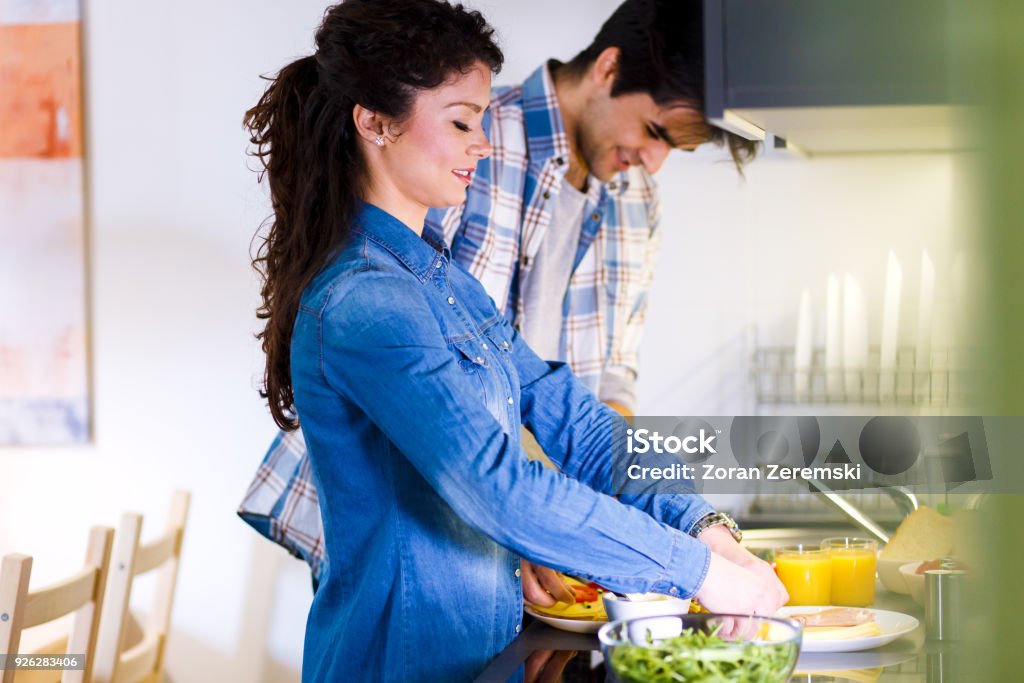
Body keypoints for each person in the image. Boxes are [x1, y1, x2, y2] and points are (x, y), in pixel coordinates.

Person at [244, 0, 784, 679]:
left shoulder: (440, 281)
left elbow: (577, 423)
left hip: (479, 658)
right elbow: (495, 487)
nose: (484, 141)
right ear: (376, 122)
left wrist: (703, 527)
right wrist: (695, 570)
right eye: (463, 121)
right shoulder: (365, 303)